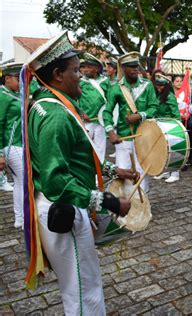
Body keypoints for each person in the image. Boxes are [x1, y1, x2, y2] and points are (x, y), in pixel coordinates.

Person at [23, 31, 138, 315]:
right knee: (84, 290)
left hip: (58, 205)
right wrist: (111, 202)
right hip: (64, 207)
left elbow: (74, 157)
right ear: (58, 75)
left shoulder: (46, 104)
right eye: (76, 71)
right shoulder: (56, 116)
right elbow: (57, 180)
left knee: (77, 288)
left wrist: (113, 169)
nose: (82, 77)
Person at [103, 51, 159, 192]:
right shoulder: (116, 87)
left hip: (144, 135)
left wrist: (139, 115)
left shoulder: (147, 85)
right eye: (131, 66)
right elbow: (107, 111)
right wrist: (110, 132)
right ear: (123, 68)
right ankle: (127, 204)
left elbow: (154, 107)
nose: (135, 69)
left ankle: (142, 205)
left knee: (142, 169)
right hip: (124, 136)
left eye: (137, 66)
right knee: (124, 170)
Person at [0, 62, 24, 228]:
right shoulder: (2, 96)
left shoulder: (17, 94)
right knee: (22, 182)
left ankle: (21, 218)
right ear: (7, 78)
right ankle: (21, 218)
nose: (21, 82)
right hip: (11, 144)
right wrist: (0, 153)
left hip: (21, 143)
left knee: (20, 182)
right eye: (18, 78)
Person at [78, 53, 109, 161]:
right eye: (83, 67)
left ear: (96, 69)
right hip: (86, 122)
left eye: (89, 67)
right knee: (85, 149)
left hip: (101, 122)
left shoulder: (106, 82)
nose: (85, 70)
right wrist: (81, 112)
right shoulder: (80, 82)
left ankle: (99, 174)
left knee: (100, 150)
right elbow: (73, 99)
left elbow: (111, 101)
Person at [152, 72, 182, 183]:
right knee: (164, 151)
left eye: (161, 85)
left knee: (173, 150)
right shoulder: (159, 95)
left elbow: (176, 115)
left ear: (166, 86)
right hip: (161, 127)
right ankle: (166, 171)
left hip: (171, 127)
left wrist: (177, 131)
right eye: (157, 85)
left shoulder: (170, 96)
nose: (158, 87)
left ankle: (175, 173)